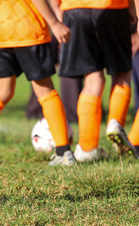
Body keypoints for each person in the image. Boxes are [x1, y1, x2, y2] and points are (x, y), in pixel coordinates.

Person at [0, 0, 75, 166]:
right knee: (46, 92)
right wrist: (54, 23)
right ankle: (63, 152)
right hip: (28, 29)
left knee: (3, 90)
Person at [53, 0, 138, 161]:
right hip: (112, 7)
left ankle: (87, 147)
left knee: (93, 79)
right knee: (122, 74)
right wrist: (133, 8)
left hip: (74, 9)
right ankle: (115, 123)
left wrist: (57, 16)